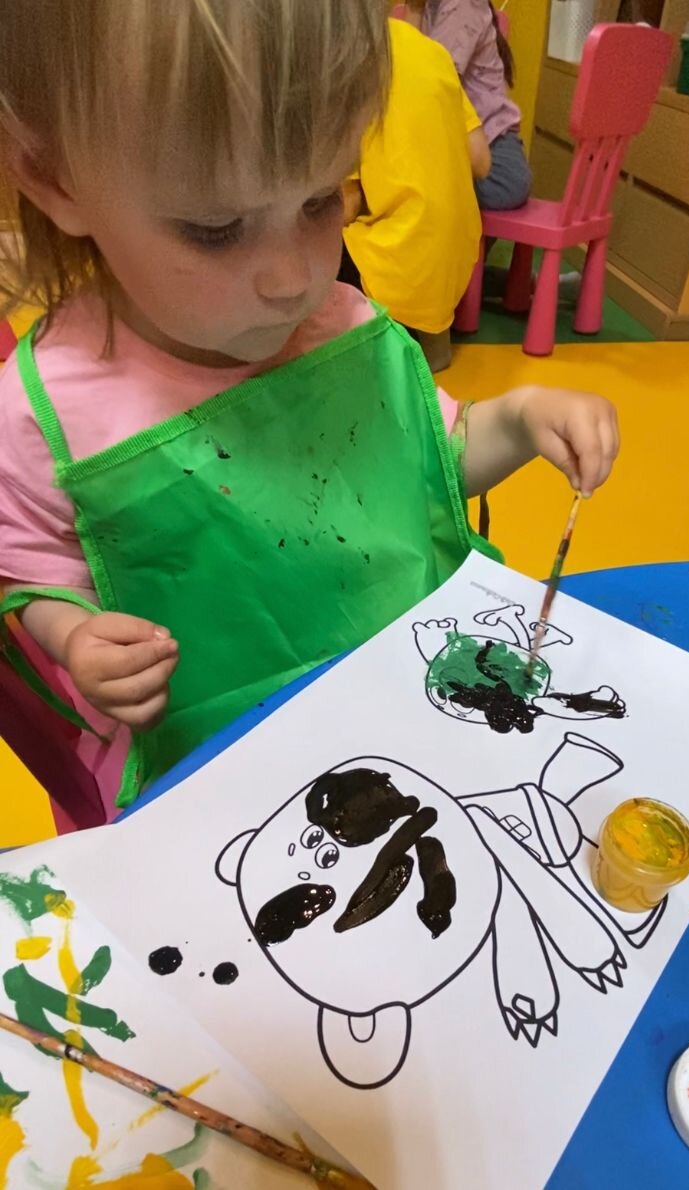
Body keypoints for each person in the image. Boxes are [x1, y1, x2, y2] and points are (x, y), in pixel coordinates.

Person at [0, 0, 618, 808]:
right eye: (217, 228)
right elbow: (31, 567)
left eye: (323, 199)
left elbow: (428, 458)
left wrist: (520, 419)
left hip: (407, 732)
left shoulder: (344, 327)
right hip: (214, 785)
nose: (294, 278)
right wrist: (74, 635)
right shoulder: (46, 414)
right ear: (57, 181)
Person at [341, 18, 490, 373]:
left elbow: (346, 205)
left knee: (315, 231)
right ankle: (431, 336)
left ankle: (382, 341)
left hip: (393, 264)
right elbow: (481, 161)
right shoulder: (430, 49)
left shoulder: (340, 62)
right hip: (457, 253)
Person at [408, 0, 532, 210]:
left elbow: (431, 84)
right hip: (463, 152)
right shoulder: (431, 5)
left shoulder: (462, 4)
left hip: (495, 163)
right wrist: (415, 9)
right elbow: (407, 64)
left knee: (405, 186)